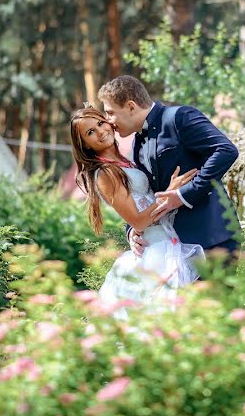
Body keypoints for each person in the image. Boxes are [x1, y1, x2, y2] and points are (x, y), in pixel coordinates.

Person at [70, 106, 204, 309]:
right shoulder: (105, 173)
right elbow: (137, 220)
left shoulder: (126, 160)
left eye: (100, 123)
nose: (100, 131)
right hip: (155, 251)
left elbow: (140, 205)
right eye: (90, 132)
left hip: (167, 240)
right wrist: (170, 193)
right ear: (85, 145)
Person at [96, 76, 241, 259]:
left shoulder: (180, 117)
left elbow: (226, 150)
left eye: (110, 112)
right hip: (173, 247)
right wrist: (132, 229)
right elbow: (146, 192)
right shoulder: (136, 142)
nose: (108, 121)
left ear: (131, 106)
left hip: (213, 238)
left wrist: (183, 194)